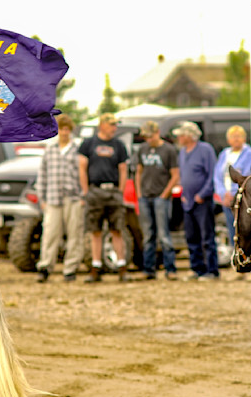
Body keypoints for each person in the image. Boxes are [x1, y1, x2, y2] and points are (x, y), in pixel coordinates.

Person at [78, 113, 129, 283]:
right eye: (111, 124)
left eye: (115, 125)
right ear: (102, 125)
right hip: (95, 191)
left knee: (117, 230)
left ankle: (122, 267)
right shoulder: (89, 144)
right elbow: (82, 168)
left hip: (113, 191)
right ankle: (95, 267)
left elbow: (123, 169)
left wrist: (120, 191)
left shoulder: (119, 145)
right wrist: (86, 191)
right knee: (95, 231)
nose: (114, 128)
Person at [35, 114, 85, 283]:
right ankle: (45, 266)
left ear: (70, 131)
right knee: (50, 234)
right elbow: (42, 174)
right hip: (53, 198)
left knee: (74, 234)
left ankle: (70, 269)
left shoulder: (78, 149)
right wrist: (41, 197)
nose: (64, 132)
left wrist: (83, 195)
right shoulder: (50, 149)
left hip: (73, 198)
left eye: (66, 129)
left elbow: (83, 173)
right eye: (61, 129)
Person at [173, 121, 219, 280]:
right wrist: (184, 193)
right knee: (192, 237)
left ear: (189, 136)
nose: (178, 137)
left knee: (207, 237)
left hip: (202, 201)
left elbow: (212, 175)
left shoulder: (205, 150)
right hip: (187, 201)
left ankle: (211, 270)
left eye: (181, 134)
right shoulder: (182, 152)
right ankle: (197, 268)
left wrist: (203, 194)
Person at [134, 120, 180, 280]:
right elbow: (138, 172)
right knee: (148, 235)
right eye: (146, 137)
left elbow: (175, 175)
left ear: (157, 133)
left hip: (161, 197)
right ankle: (149, 269)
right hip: (145, 197)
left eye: (150, 136)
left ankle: (170, 269)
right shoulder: (142, 149)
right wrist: (139, 194)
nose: (148, 139)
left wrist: (164, 194)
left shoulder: (168, 150)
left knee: (164, 234)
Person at [213, 125, 251, 260]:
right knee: (233, 231)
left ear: (244, 138)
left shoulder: (249, 154)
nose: (236, 139)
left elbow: (249, 174)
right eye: (233, 137)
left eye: (239, 136)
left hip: (241, 199)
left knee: (246, 230)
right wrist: (222, 193)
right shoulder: (224, 154)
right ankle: (238, 261)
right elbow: (217, 176)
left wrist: (234, 192)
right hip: (226, 200)